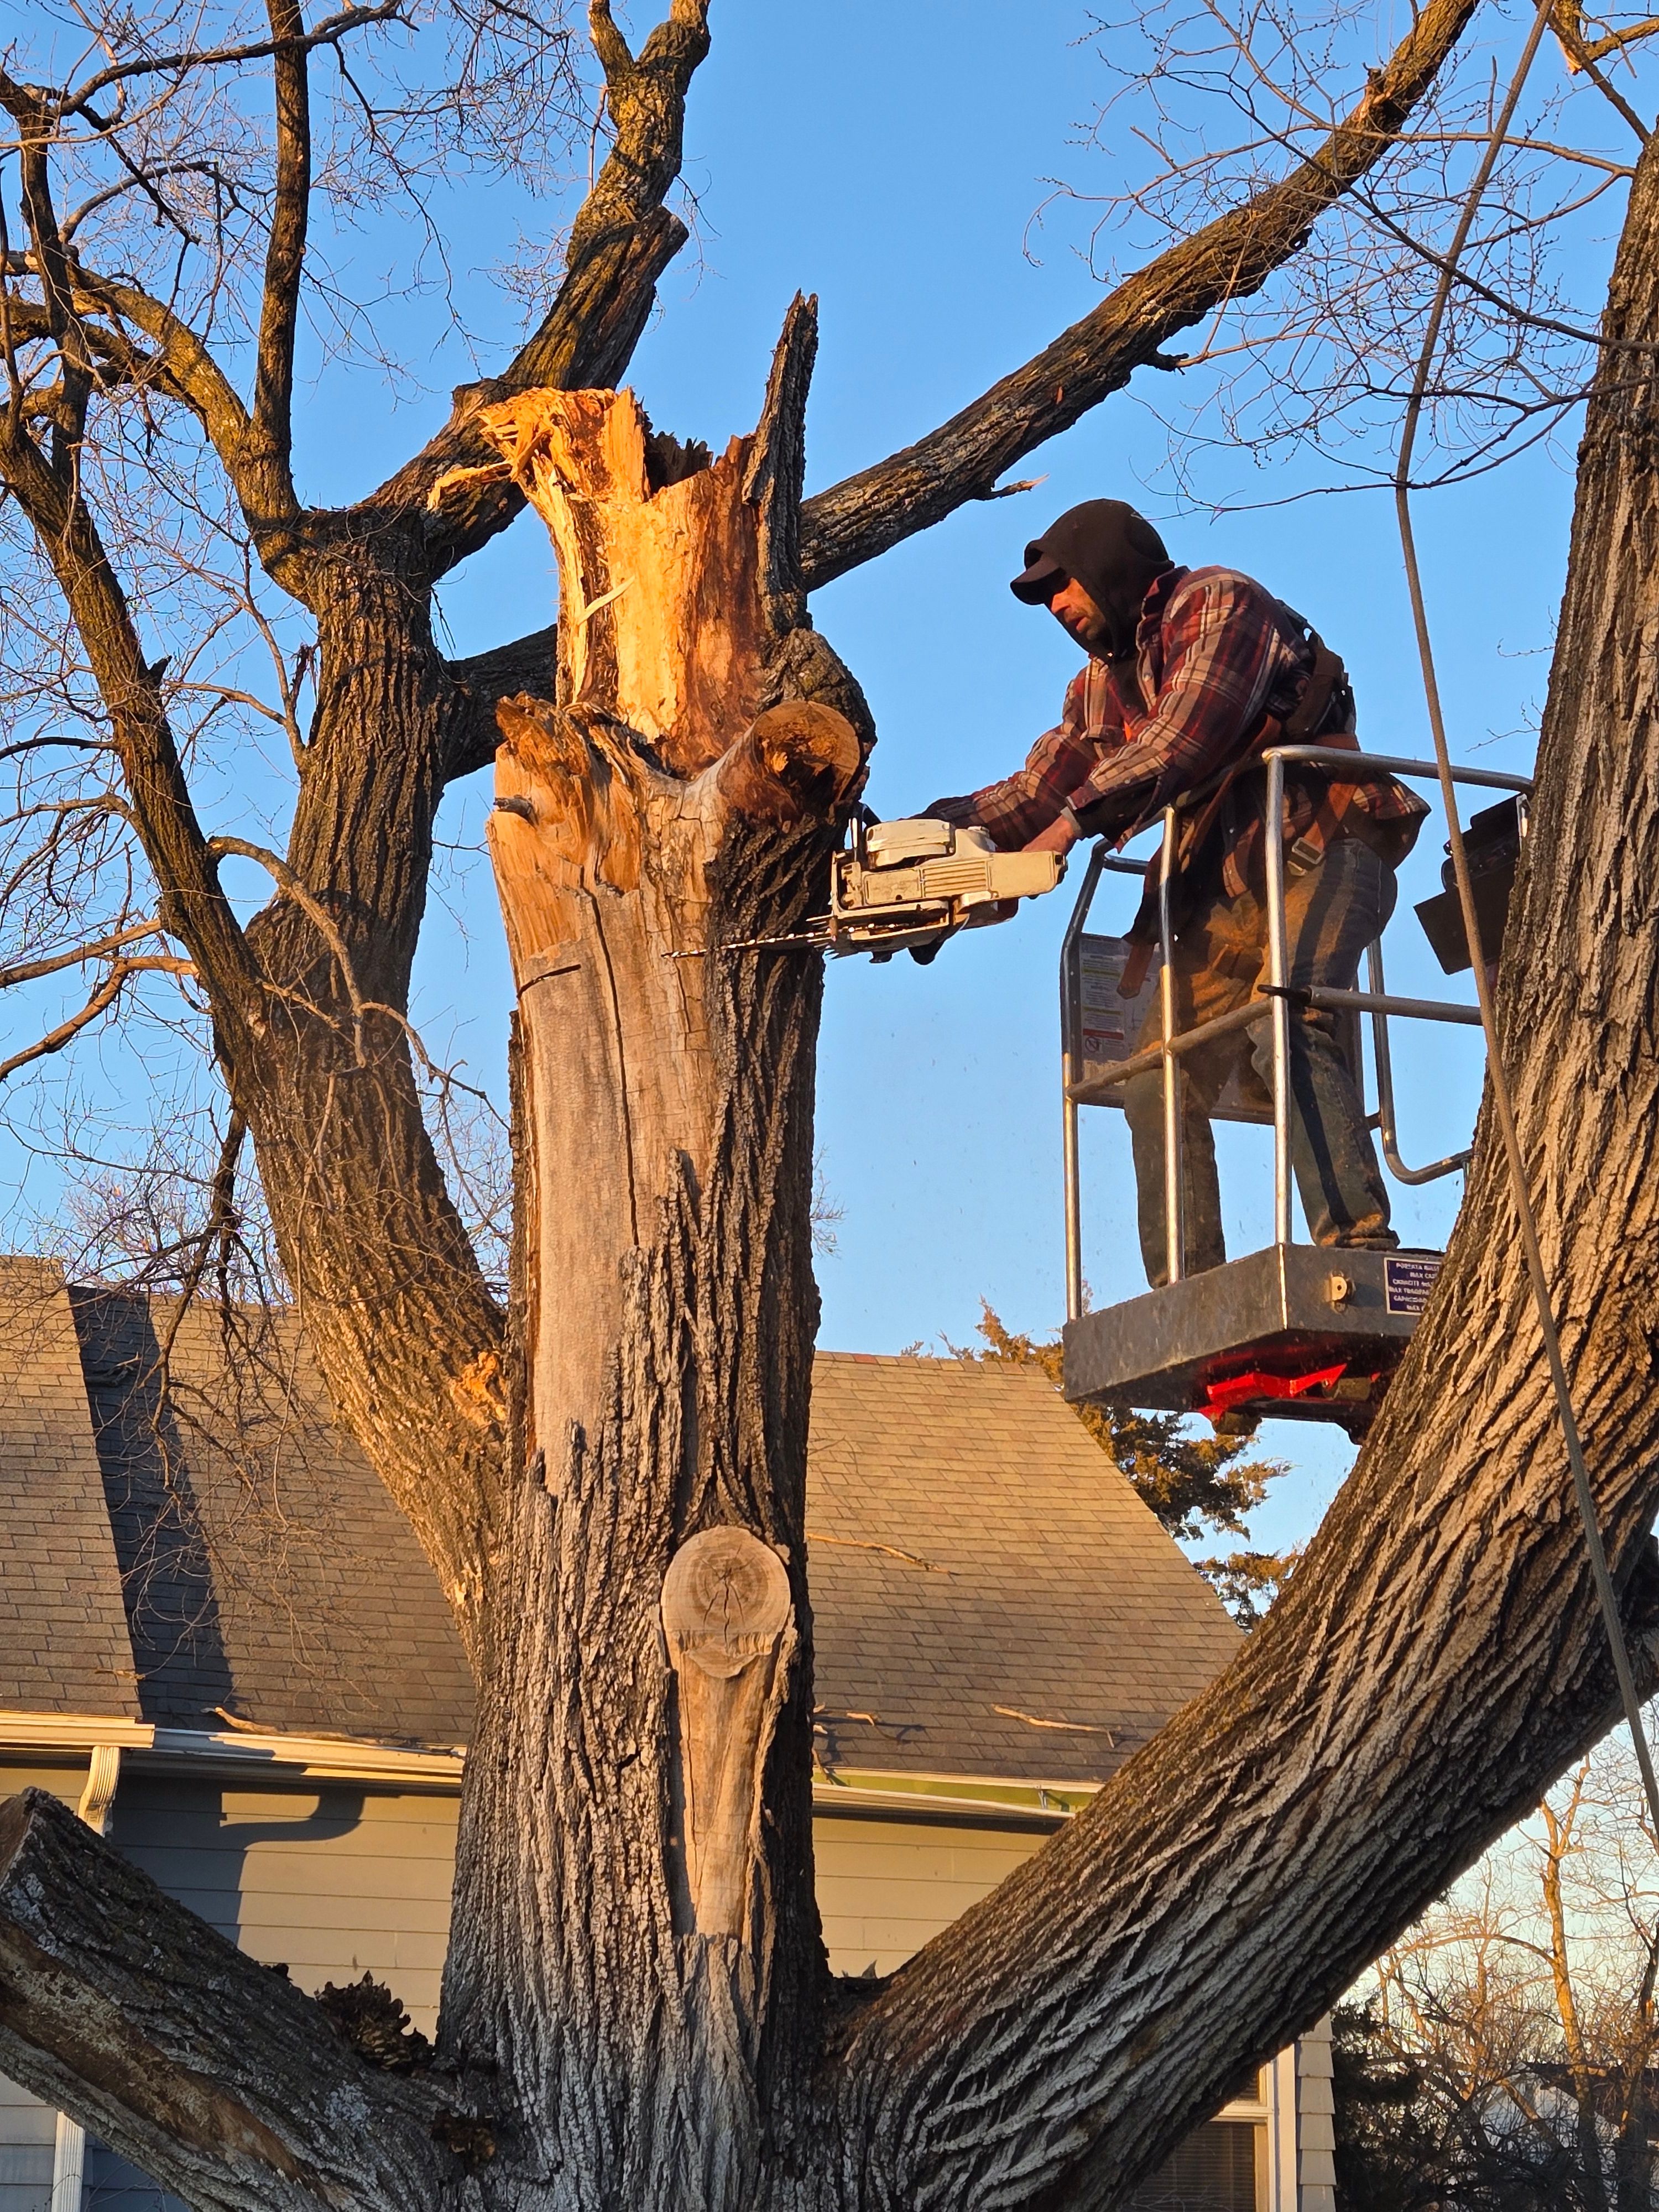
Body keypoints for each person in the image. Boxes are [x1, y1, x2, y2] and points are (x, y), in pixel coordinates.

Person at [926, 499, 1428, 1287]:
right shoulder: (1097, 686)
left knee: (1287, 1011)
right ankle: (1190, 1291)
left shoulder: (1219, 603)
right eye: (1044, 597)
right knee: (1154, 1073)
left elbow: (1180, 739)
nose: (1056, 606)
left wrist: (1069, 827)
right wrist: (932, 850)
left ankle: (1357, 1251)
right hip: (1224, 877)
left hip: (1325, 839)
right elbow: (1039, 786)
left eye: (1062, 586)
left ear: (1108, 567)